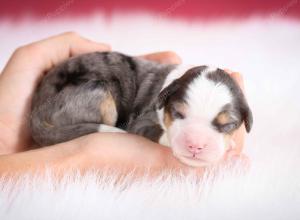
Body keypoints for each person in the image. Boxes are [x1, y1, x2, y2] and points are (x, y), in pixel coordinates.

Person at [0, 32, 247, 177]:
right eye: (180, 114)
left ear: (245, 120)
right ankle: (76, 126)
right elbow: (141, 127)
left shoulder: (171, 90)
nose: (196, 143)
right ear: (165, 100)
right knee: (103, 97)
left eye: (225, 126)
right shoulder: (159, 97)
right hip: (69, 96)